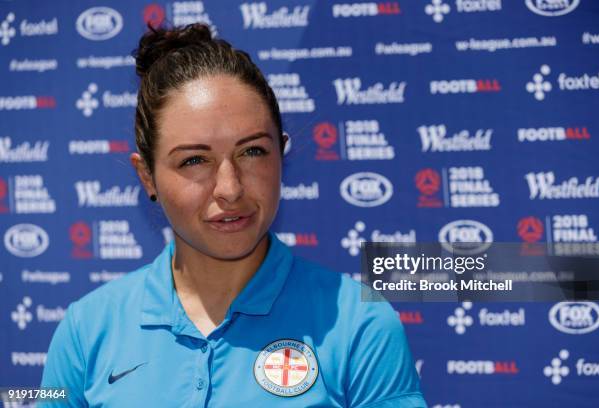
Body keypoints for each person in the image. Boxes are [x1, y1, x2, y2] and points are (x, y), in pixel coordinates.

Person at [39, 23, 426, 407]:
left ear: (281, 153)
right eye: (194, 160)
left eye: (253, 151)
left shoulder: (360, 325)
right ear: (147, 176)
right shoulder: (87, 329)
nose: (231, 188)